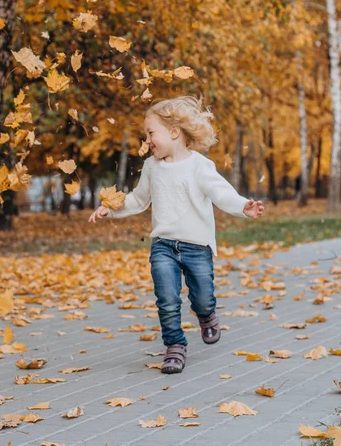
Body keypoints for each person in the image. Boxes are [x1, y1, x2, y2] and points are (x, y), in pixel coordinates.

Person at [88, 96, 264, 374]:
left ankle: (206, 316)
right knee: (167, 298)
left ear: (173, 132)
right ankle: (175, 347)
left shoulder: (200, 166)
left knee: (203, 297)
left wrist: (244, 206)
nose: (147, 141)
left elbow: (221, 193)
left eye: (150, 133)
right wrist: (110, 209)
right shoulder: (151, 167)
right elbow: (137, 200)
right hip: (163, 246)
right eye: (145, 135)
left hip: (197, 247)